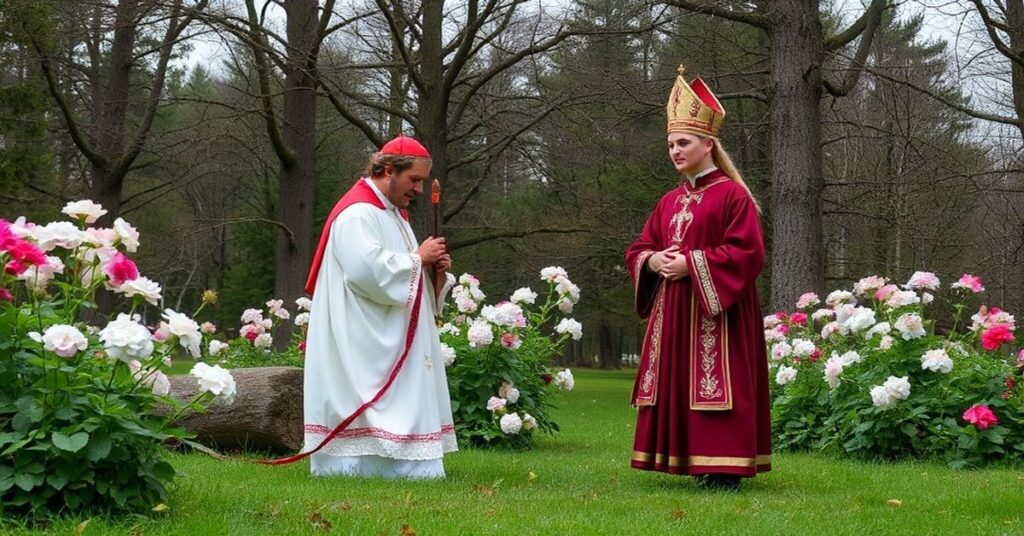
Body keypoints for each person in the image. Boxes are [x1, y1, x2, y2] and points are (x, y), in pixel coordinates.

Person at [624, 67, 771, 491]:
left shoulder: (733, 195)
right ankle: (687, 459)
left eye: (683, 142)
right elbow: (640, 247)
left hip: (718, 315)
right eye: (671, 144)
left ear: (708, 144)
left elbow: (748, 252)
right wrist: (653, 262)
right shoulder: (669, 201)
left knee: (717, 382)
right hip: (674, 315)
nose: (675, 150)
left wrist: (691, 264)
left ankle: (724, 467)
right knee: (679, 384)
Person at [299, 135, 457, 478]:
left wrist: (434, 272)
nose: (418, 190)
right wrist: (417, 259)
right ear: (387, 171)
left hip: (385, 328)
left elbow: (404, 276)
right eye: (413, 179)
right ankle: (357, 468)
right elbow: (365, 272)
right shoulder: (357, 214)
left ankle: (407, 468)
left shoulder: (394, 215)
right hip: (360, 333)